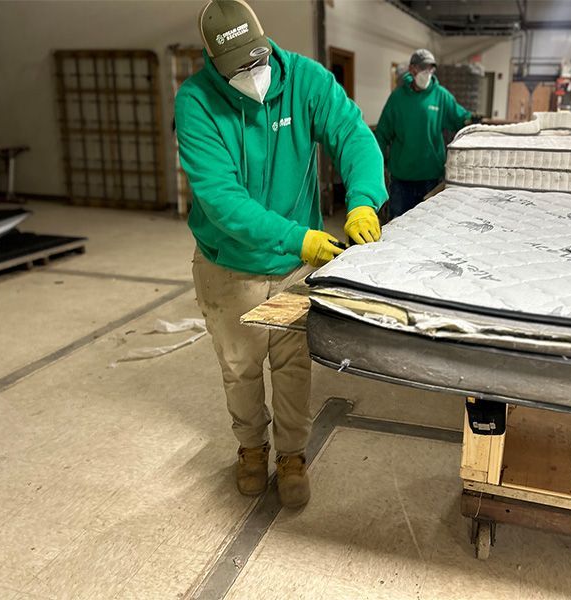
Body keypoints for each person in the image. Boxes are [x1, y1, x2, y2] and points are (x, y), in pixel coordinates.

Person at [175, 0, 385, 507]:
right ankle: (251, 448)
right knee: (241, 367)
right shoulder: (196, 102)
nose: (253, 74)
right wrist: (303, 239)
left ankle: (292, 455)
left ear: (265, 42)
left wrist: (362, 201)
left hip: (293, 270)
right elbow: (224, 203)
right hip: (229, 266)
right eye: (238, 69)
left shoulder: (307, 81)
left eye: (257, 58)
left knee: (292, 366)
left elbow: (353, 136)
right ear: (214, 66)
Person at [375, 49, 474, 220]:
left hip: (430, 178)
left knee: (427, 224)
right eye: (423, 68)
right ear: (412, 69)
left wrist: (474, 121)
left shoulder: (441, 96)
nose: (427, 73)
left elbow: (461, 118)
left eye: (431, 69)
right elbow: (382, 133)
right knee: (398, 223)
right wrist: (376, 168)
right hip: (401, 179)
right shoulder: (397, 98)